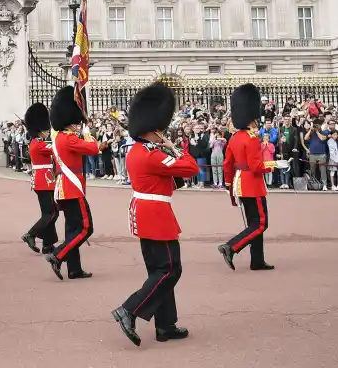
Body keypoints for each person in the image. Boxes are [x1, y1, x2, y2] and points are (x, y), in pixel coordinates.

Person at [111, 82, 199, 347]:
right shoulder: (152, 154)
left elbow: (165, 180)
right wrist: (173, 147)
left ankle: (165, 325)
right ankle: (129, 309)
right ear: (155, 129)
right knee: (170, 269)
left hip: (144, 212)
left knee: (157, 271)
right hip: (157, 215)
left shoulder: (137, 151)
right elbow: (191, 168)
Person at [44, 85, 107, 281]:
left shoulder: (60, 138)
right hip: (72, 189)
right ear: (70, 121)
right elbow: (92, 148)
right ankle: (58, 255)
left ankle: (74, 269)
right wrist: (89, 134)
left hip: (64, 188)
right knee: (85, 228)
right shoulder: (68, 138)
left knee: (72, 229)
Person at [218, 83, 277, 272]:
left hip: (239, 183)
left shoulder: (235, 138)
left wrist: (229, 185)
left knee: (253, 223)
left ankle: (257, 261)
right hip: (252, 184)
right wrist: (274, 165)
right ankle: (231, 247)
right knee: (261, 223)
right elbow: (256, 166)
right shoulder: (251, 139)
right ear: (252, 119)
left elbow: (227, 164)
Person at [21, 102, 59, 255]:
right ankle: (31, 234)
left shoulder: (37, 142)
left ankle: (48, 245)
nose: (47, 132)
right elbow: (56, 149)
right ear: (39, 130)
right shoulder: (38, 145)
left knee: (50, 213)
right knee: (51, 213)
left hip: (44, 181)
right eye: (46, 130)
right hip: (44, 182)